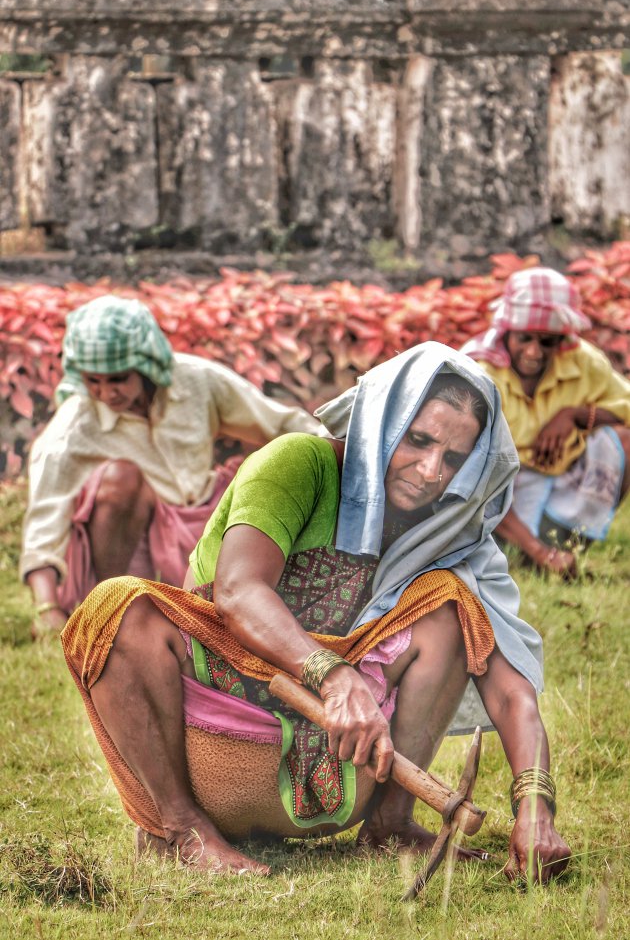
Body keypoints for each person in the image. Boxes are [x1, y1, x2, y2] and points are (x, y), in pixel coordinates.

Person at [61, 341, 570, 885]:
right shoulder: (298, 462)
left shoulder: (450, 529)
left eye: (454, 459)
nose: (429, 472)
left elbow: (510, 682)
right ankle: (183, 831)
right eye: (416, 440)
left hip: (341, 757)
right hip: (215, 732)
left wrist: (535, 807)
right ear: (377, 424)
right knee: (116, 607)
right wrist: (333, 675)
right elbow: (238, 591)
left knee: (450, 604)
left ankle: (391, 825)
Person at [21, 295, 325, 637]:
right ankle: (110, 609)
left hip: (200, 525)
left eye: (118, 378)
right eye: (94, 381)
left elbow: (278, 424)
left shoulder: (197, 380)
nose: (107, 393)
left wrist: (342, 448)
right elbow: (45, 517)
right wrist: (46, 607)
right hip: (130, 546)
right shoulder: (75, 425)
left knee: (259, 474)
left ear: (145, 364)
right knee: (122, 477)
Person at [462, 267, 630, 577]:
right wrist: (539, 550)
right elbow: (474, 479)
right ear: (507, 332)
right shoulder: (476, 370)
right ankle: (533, 553)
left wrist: (576, 416)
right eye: (524, 338)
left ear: (561, 340)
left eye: (547, 342)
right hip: (494, 497)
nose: (533, 352)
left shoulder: (582, 360)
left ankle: (565, 547)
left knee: (624, 442)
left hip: (556, 483)